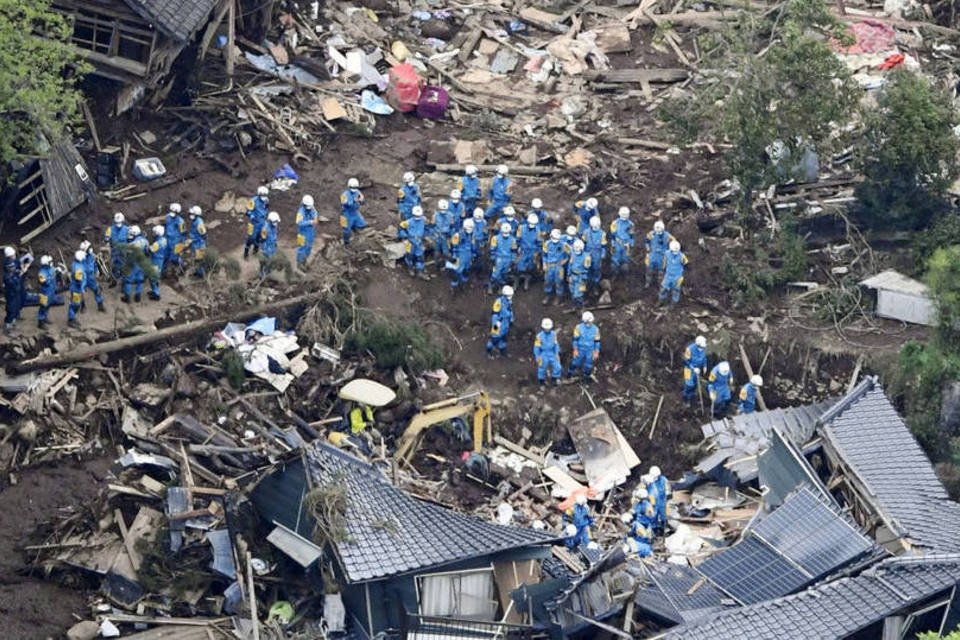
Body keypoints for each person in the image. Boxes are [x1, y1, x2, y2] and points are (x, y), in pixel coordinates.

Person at [621, 486, 655, 557]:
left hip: (644, 526)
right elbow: (633, 509)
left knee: (636, 539)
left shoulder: (647, 507)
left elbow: (651, 518)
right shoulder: (638, 503)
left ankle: (642, 550)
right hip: (640, 525)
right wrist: (629, 513)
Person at [568, 311, 600, 383]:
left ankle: (586, 379)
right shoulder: (578, 328)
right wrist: (575, 349)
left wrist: (596, 352)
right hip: (580, 349)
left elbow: (597, 341)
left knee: (588, 365)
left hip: (590, 350)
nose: (589, 323)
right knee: (575, 362)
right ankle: (569, 375)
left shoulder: (595, 329)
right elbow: (575, 340)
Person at [398, 205, 428, 278]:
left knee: (420, 257)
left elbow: (427, 227)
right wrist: (404, 237)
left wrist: (426, 236)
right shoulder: (408, 222)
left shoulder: (423, 220)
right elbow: (400, 228)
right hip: (410, 242)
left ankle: (420, 271)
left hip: (419, 241)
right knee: (409, 256)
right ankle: (410, 268)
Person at [541, 229, 569, 305]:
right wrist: (544, 264)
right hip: (549, 266)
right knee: (548, 281)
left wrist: (565, 261)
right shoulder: (547, 244)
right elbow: (544, 255)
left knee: (559, 282)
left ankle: (559, 297)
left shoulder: (564, 245)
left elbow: (569, 254)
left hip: (559, 267)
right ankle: (548, 295)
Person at [644, 220, 674, 289]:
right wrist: (648, 248)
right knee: (649, 270)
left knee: (661, 272)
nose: (658, 232)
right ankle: (648, 282)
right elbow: (646, 241)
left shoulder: (667, 236)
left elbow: (674, 243)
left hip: (662, 257)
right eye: (657, 231)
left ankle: (661, 284)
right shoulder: (651, 234)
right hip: (652, 255)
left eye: (660, 231)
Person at [486, 285, 514, 358]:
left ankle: (503, 353)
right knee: (494, 339)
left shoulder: (509, 302)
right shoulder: (498, 302)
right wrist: (495, 327)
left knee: (503, 338)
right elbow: (495, 315)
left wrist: (511, 320)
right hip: (498, 323)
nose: (510, 297)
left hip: (505, 323)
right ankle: (489, 353)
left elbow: (510, 311)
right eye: (508, 295)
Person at [516, 213, 542, 291]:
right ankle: (516, 281)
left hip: (532, 251)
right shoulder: (521, 228)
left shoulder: (537, 230)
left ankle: (526, 281)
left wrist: (537, 253)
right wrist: (518, 248)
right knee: (519, 267)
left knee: (530, 267)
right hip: (523, 250)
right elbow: (518, 239)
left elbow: (539, 243)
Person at [488, 223, 517, 292]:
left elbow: (513, 250)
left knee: (504, 274)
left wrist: (513, 259)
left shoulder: (513, 239)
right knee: (496, 274)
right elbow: (492, 249)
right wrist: (493, 257)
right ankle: (491, 285)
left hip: (508, 259)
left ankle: (500, 286)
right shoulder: (495, 238)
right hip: (499, 258)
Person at [123, 226, 149, 302]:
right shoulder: (145, 241)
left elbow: (127, 254)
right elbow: (147, 252)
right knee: (140, 279)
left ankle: (127, 297)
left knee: (128, 279)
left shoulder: (132, 244)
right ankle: (138, 296)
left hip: (133, 263)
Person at [448, 218, 474, 292]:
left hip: (468, 255)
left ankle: (463, 283)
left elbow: (472, 244)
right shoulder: (457, 235)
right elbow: (454, 246)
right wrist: (455, 256)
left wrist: (473, 254)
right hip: (460, 255)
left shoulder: (471, 234)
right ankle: (454, 286)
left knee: (466, 269)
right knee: (457, 271)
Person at [37, 255, 63, 329]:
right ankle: (40, 321)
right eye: (50, 262)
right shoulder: (41, 273)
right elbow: (45, 282)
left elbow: (54, 272)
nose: (52, 263)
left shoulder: (51, 268)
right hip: (44, 292)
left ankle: (45, 317)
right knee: (43, 306)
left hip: (51, 291)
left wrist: (58, 271)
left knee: (48, 305)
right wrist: (53, 275)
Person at [534, 317, 562, 386]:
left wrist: (556, 353)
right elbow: (536, 347)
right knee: (542, 368)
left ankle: (554, 379)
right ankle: (542, 382)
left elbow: (556, 344)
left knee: (558, 367)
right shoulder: (539, 336)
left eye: (548, 328)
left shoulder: (553, 334)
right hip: (543, 354)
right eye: (546, 328)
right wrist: (537, 356)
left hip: (552, 353)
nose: (547, 329)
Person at [659, 240, 688, 304]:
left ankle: (672, 305)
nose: (675, 252)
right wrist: (662, 270)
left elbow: (686, 264)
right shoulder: (667, 254)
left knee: (676, 291)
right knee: (663, 289)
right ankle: (661, 301)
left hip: (677, 277)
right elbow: (664, 262)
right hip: (668, 275)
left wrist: (683, 274)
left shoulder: (682, 256)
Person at [78, 241, 104, 312]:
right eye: (89, 247)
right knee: (81, 292)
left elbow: (94, 264)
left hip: (91, 277)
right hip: (83, 277)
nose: (91, 248)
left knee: (97, 289)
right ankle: (83, 305)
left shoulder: (92, 255)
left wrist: (96, 271)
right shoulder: (80, 258)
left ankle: (100, 304)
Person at [682, 335, 708, 405]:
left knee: (694, 385)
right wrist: (693, 368)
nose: (702, 348)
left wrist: (705, 366)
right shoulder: (689, 349)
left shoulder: (703, 350)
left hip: (697, 370)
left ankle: (692, 399)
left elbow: (704, 358)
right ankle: (685, 399)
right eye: (701, 347)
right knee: (689, 385)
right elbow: (686, 361)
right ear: (698, 345)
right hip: (689, 370)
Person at [244, 186, 269, 259]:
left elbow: (267, 208)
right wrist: (251, 215)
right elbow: (247, 211)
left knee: (259, 236)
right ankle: (246, 252)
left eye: (265, 195)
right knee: (251, 238)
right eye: (262, 195)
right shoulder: (253, 201)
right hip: (253, 222)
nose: (264, 197)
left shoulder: (266, 200)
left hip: (262, 221)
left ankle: (255, 250)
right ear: (259, 194)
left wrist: (266, 215)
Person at [3, 246, 24, 332]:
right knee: (11, 308)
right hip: (11, 292)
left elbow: (17, 271)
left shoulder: (13, 266)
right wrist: (19, 275)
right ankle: (8, 325)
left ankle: (13, 321)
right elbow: (11, 282)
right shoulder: (8, 275)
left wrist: (19, 273)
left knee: (16, 306)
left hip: (16, 291)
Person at [340, 178, 367, 245]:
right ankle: (346, 242)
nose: (354, 189)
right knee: (346, 230)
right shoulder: (344, 195)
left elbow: (362, 198)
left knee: (362, 224)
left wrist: (361, 200)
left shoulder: (357, 192)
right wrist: (354, 201)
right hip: (346, 214)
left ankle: (354, 229)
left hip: (355, 212)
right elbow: (345, 203)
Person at [645, 466, 671, 532]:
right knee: (653, 516)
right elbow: (642, 489)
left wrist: (668, 491)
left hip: (662, 500)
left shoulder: (663, 479)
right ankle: (654, 529)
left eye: (657, 476)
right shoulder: (648, 480)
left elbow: (668, 486)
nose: (656, 478)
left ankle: (664, 527)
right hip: (652, 502)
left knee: (663, 514)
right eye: (654, 476)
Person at [104, 212, 129, 281]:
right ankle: (114, 278)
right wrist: (107, 242)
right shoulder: (110, 229)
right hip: (114, 249)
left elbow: (130, 239)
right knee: (114, 264)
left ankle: (123, 277)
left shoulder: (127, 229)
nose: (118, 225)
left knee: (123, 263)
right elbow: (106, 239)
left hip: (123, 250)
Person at [582, 216, 606, 287]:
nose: (595, 227)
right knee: (587, 268)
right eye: (594, 226)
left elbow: (603, 245)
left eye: (597, 226)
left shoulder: (602, 233)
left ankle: (595, 284)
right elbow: (583, 242)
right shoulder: (586, 232)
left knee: (596, 269)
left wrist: (603, 253)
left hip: (597, 253)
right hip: (588, 252)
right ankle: (587, 283)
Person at [610, 207, 635, 275]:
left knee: (625, 258)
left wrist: (631, 243)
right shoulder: (615, 223)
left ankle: (624, 273)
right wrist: (613, 244)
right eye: (623, 214)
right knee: (615, 258)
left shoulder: (630, 224)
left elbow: (632, 235)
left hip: (626, 244)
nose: (624, 216)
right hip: (617, 243)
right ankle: (615, 273)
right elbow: (612, 235)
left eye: (626, 214)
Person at [295, 195, 318, 269]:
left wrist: (315, 217)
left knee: (309, 247)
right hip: (302, 233)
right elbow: (299, 222)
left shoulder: (311, 207)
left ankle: (304, 260)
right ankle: (299, 263)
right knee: (302, 248)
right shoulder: (300, 212)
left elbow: (315, 212)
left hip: (310, 232)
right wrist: (310, 222)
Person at [567, 239, 591, 306]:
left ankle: (581, 307)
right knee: (572, 292)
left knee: (578, 294)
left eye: (578, 248)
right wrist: (569, 275)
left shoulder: (587, 257)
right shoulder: (573, 254)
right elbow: (570, 265)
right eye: (575, 247)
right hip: (573, 276)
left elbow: (587, 269)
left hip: (581, 277)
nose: (576, 249)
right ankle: (575, 305)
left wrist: (583, 278)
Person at [66, 250, 86, 329]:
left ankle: (72, 317)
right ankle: (71, 319)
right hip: (76, 289)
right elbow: (79, 280)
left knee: (75, 303)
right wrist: (81, 288)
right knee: (75, 304)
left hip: (75, 288)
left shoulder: (76, 264)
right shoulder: (78, 268)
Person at [431, 199, 454, 265]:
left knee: (446, 251)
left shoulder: (450, 215)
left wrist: (451, 235)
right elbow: (432, 224)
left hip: (445, 236)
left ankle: (448, 263)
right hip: (437, 235)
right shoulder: (435, 215)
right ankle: (436, 263)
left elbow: (452, 225)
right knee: (437, 250)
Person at [164, 203, 186, 270]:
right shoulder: (167, 216)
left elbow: (183, 232)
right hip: (168, 239)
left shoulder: (181, 221)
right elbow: (165, 226)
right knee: (166, 255)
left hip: (176, 240)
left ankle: (181, 267)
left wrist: (182, 243)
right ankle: (166, 268)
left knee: (176, 256)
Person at [148, 226, 167, 300]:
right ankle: (154, 290)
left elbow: (150, 250)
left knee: (153, 277)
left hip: (155, 260)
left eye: (154, 232)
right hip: (160, 260)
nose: (153, 234)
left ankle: (156, 294)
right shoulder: (164, 240)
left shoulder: (157, 243)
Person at [188, 206, 208, 277]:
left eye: (193, 214)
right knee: (196, 259)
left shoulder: (199, 223)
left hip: (199, 244)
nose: (191, 215)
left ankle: (201, 274)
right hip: (195, 243)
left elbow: (204, 234)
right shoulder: (195, 221)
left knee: (199, 260)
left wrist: (203, 244)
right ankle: (198, 271)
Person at [259, 211, 280, 277]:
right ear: (270, 221)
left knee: (271, 261)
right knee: (265, 262)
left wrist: (275, 243)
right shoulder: (265, 229)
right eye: (274, 222)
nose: (276, 223)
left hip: (272, 246)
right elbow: (262, 240)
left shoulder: (274, 226)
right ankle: (262, 274)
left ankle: (268, 272)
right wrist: (264, 250)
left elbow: (274, 235)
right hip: (266, 248)